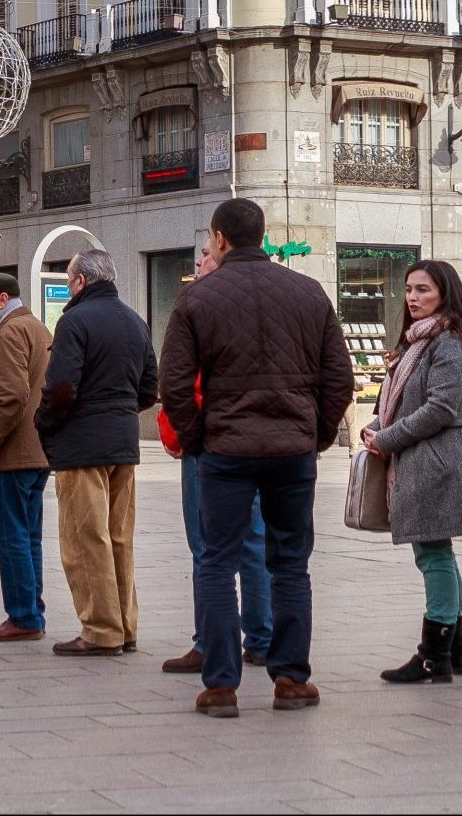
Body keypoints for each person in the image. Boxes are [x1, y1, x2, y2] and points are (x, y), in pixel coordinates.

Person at [162, 198, 354, 717]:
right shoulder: (309, 292)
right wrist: (315, 432)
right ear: (262, 236)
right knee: (290, 565)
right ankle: (291, 679)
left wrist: (198, 437)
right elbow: (340, 379)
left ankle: (221, 685)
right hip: (292, 450)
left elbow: (174, 383)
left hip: (226, 449)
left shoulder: (198, 298)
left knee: (217, 563)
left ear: (220, 238)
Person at [364, 260, 462, 686]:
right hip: (424, 458)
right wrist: (377, 425)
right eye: (409, 289)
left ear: (445, 295)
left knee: (434, 554)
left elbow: (440, 409)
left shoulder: (448, 342)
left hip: (436, 460)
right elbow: (404, 402)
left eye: (423, 290)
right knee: (437, 553)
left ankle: (434, 655)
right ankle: (454, 650)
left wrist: (388, 437)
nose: (413, 298)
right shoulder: (420, 341)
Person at [156, 246, 277, 676]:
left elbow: (179, 379)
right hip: (263, 439)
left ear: (226, 246)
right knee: (254, 539)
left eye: (207, 250)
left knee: (208, 546)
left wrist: (181, 434)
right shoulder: (275, 294)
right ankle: (261, 639)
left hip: (211, 440)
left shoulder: (199, 301)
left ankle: (209, 643)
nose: (198, 259)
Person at [40, 249, 159, 658]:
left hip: (81, 444)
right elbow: (149, 390)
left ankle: (99, 629)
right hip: (122, 444)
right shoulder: (135, 322)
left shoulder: (74, 320)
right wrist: (120, 412)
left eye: (70, 280)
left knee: (84, 538)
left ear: (81, 282)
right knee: (119, 537)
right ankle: (125, 626)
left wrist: (45, 423)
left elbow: (61, 388)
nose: (69, 287)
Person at [0, 273, 55, 644]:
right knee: (28, 535)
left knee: (10, 535)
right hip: (36, 453)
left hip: (13, 453)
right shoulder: (36, 328)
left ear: (2, 299)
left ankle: (23, 616)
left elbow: (11, 395)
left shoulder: (11, 332)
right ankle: (31, 611)